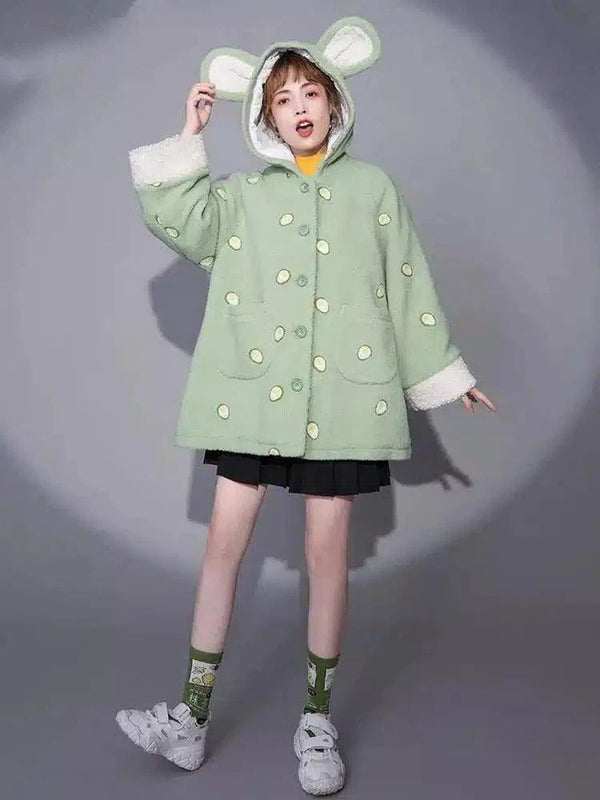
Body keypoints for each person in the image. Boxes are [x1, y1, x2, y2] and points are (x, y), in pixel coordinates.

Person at [116, 16, 496, 795]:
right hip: (253, 396)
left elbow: (407, 283)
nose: (299, 107)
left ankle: (316, 722)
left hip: (344, 401)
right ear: (264, 116)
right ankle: (190, 718)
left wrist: (446, 374)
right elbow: (179, 221)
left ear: (335, 102)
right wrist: (188, 137)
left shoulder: (374, 190)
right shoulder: (242, 198)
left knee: (327, 556)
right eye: (283, 98)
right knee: (224, 545)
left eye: (311, 93)